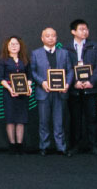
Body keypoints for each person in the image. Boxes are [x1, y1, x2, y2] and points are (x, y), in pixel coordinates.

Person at [66, 19, 97, 156]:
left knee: (92, 118)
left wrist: (91, 81)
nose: (85, 31)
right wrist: (74, 82)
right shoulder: (66, 48)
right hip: (74, 89)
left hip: (91, 88)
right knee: (75, 119)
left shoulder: (95, 46)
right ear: (73, 31)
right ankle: (75, 146)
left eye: (86, 29)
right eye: (81, 29)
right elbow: (66, 67)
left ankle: (94, 145)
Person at [31, 27, 72, 156]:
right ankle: (44, 146)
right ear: (42, 38)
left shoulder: (64, 53)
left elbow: (70, 70)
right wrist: (42, 82)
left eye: (53, 36)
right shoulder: (35, 53)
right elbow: (32, 71)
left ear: (56, 38)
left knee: (59, 121)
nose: (50, 38)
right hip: (43, 92)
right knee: (43, 122)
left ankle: (61, 147)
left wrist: (67, 84)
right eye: (47, 36)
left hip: (60, 92)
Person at [0, 36, 33, 154]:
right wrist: (9, 88)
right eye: (11, 44)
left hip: (23, 94)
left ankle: (20, 145)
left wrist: (28, 87)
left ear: (20, 46)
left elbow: (29, 77)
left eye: (16, 44)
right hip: (9, 93)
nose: (14, 46)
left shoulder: (25, 60)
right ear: (7, 46)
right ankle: (12, 145)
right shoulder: (2, 61)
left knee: (21, 119)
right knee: (10, 119)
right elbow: (1, 78)